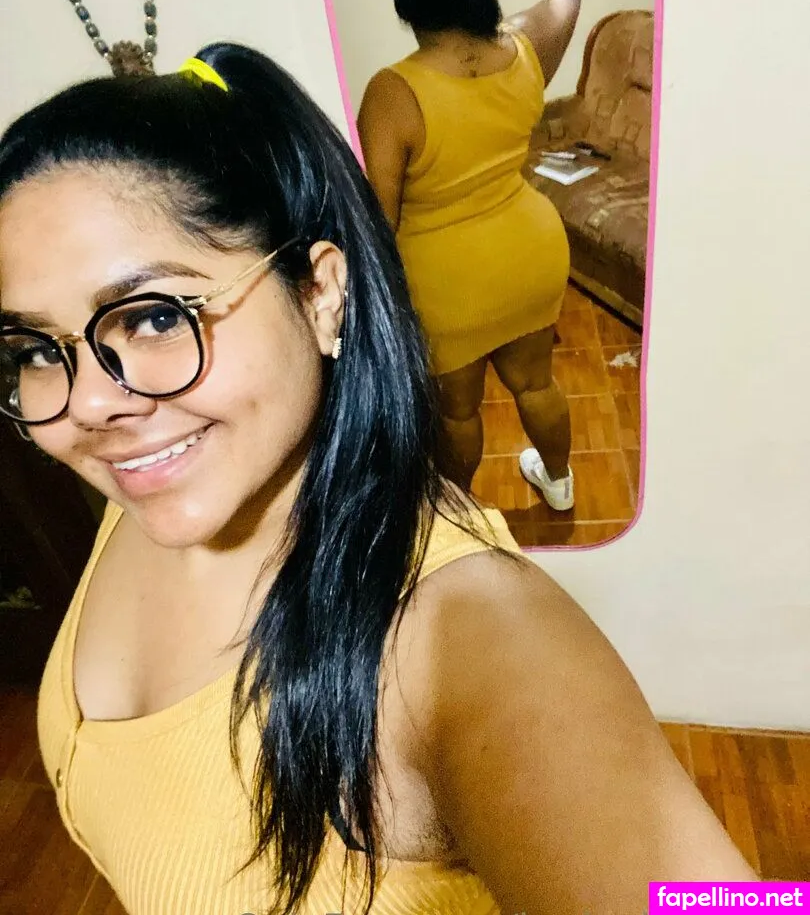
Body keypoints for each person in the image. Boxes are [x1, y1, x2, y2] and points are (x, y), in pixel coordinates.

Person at [0, 46, 754, 915]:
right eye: (34, 349)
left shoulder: (470, 640)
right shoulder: (153, 483)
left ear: (321, 293)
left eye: (156, 316)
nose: (89, 405)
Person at [358, 0, 585, 511]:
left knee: (458, 414)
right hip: (532, 252)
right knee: (536, 383)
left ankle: (460, 518)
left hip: (448, 286)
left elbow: (379, 226)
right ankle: (559, 484)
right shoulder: (525, 45)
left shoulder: (392, 93)